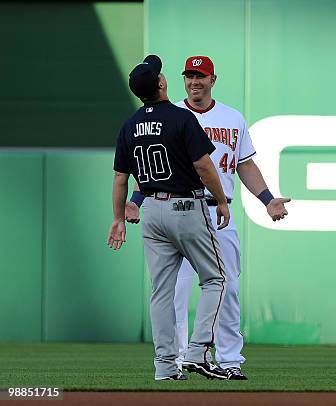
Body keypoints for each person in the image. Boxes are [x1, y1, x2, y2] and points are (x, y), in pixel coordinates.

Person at [125, 55, 290, 380]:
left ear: (213, 79)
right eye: (189, 76)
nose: (194, 81)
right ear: (181, 79)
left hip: (218, 213)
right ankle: (184, 359)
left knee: (227, 290)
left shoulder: (232, 118)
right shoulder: (170, 115)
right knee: (176, 292)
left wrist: (268, 200)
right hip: (183, 208)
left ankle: (228, 360)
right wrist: (137, 199)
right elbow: (155, 168)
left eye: (200, 76)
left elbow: (244, 164)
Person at [108, 55, 231, 381]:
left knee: (161, 292)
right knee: (216, 279)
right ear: (161, 84)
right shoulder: (181, 118)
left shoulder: (129, 125)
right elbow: (204, 167)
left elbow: (121, 178)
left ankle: (164, 367)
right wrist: (221, 200)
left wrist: (118, 219)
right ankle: (196, 352)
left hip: (151, 210)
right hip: (186, 209)